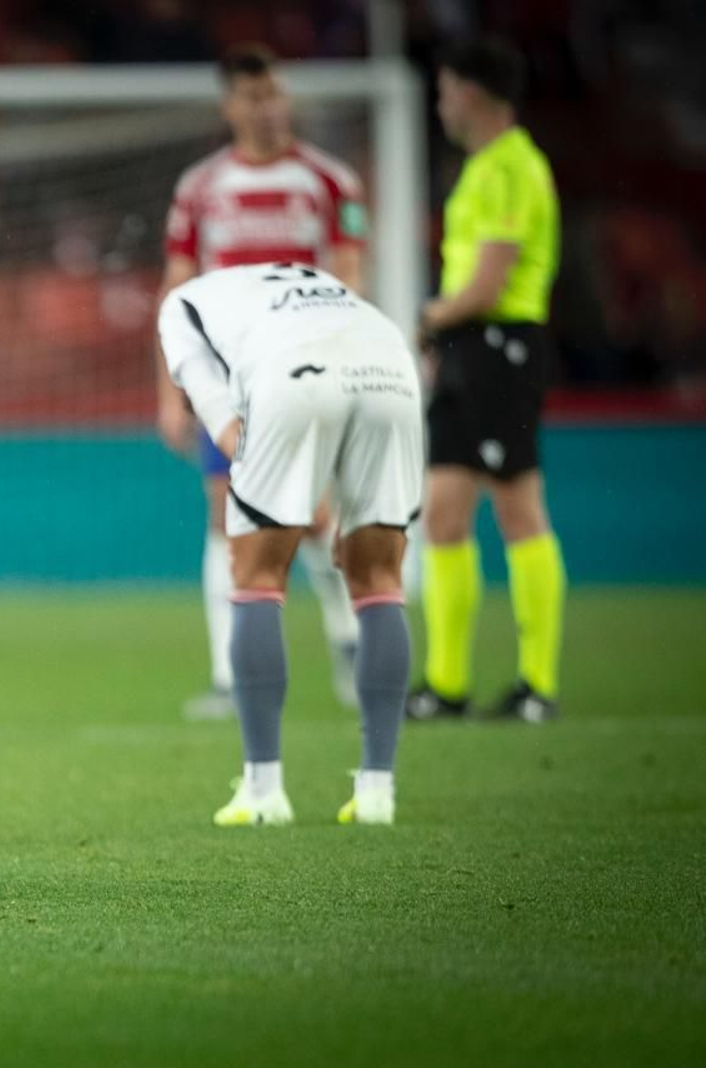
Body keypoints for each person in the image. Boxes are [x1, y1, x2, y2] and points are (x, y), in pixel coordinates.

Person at [158, 263, 423, 825]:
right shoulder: (289, 284)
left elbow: (230, 435)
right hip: (392, 367)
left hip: (296, 374)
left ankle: (263, 791)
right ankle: (379, 791)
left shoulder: (179, 310)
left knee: (255, 576)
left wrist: (292, 504)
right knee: (379, 580)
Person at [155, 44, 366, 720]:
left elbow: (351, 280)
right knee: (225, 517)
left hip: (303, 373)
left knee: (314, 517)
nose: (268, 107)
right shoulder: (200, 189)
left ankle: (350, 640)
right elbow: (177, 289)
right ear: (230, 105)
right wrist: (171, 390)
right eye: (252, 95)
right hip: (227, 376)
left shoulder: (329, 182)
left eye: (275, 93)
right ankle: (228, 677)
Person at [407, 38, 564, 724]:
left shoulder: (511, 168)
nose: (440, 104)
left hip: (504, 347)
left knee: (518, 509)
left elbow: (491, 284)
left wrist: (429, 315)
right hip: (472, 351)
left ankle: (537, 684)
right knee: (442, 511)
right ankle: (445, 684)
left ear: (470, 91)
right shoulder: (482, 168)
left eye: (444, 90)